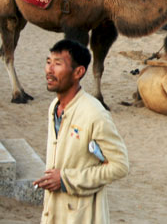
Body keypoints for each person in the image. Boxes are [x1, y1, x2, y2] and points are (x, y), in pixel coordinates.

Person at [34, 39, 129, 223]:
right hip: (53, 214)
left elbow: (120, 166)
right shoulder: (54, 106)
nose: (49, 70)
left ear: (78, 72)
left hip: (82, 216)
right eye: (48, 62)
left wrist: (66, 179)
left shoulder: (94, 113)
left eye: (58, 64)